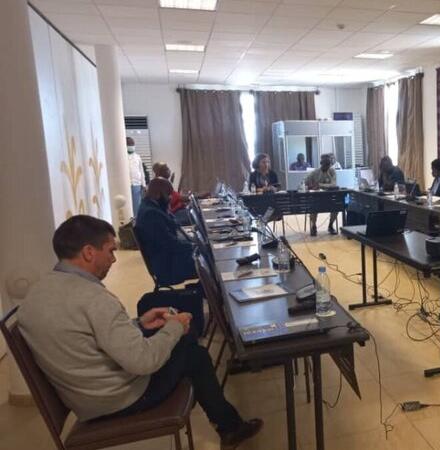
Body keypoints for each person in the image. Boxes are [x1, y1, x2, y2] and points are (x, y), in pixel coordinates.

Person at [17, 215, 262, 449]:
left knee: (182, 341)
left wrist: (138, 324)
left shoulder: (37, 294)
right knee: (194, 354)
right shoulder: (93, 298)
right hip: (117, 398)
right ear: (89, 252)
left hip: (86, 396)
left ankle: (227, 422)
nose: (114, 259)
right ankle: (230, 427)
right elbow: (144, 362)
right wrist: (175, 325)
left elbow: (85, 337)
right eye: (110, 251)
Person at [135, 178, 196, 286]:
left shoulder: (151, 205)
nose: (170, 198)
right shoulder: (151, 214)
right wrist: (195, 246)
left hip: (169, 258)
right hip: (169, 266)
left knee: (207, 256)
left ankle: (206, 290)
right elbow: (171, 244)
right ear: (158, 194)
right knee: (211, 261)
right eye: (168, 195)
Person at [305, 154, 338, 237]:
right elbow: (305, 183)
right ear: (321, 163)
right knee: (313, 207)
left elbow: (333, 185)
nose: (327, 166)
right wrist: (310, 186)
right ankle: (313, 226)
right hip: (316, 199)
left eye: (329, 164)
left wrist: (319, 185)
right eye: (325, 163)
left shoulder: (332, 171)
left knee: (337, 207)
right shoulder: (315, 172)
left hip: (329, 198)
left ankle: (331, 225)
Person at [127, 137, 146, 216]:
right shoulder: (122, 157)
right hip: (127, 184)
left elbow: (141, 171)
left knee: (137, 206)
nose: (131, 146)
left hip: (137, 184)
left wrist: (143, 184)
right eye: (129, 144)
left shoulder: (137, 157)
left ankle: (137, 220)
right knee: (128, 206)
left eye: (132, 144)